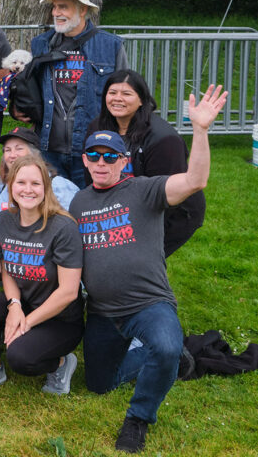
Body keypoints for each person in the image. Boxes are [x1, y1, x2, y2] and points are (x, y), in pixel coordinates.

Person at [71, 85, 226, 454]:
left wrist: (200, 131)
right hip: (104, 313)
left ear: (124, 161)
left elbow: (195, 181)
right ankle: (164, 359)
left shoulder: (145, 190)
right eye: (94, 155)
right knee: (99, 385)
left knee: (167, 345)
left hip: (148, 304)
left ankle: (138, 419)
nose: (102, 162)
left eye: (110, 156)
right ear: (85, 160)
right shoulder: (78, 202)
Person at [0, 154, 84, 397]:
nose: (27, 190)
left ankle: (62, 363)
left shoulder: (63, 227)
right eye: (21, 183)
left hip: (61, 318)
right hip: (26, 303)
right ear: (10, 186)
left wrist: (25, 323)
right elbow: (8, 267)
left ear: (46, 188)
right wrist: (15, 306)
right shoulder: (4, 220)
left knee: (20, 358)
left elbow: (69, 292)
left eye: (35, 184)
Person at [89, 69, 205, 256]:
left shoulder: (163, 139)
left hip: (172, 212)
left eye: (126, 93)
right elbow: (91, 176)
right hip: (121, 208)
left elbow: (167, 197)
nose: (117, 98)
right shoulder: (98, 127)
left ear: (142, 99)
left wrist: (136, 231)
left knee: (141, 260)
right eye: (112, 93)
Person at [27, 0, 127, 186]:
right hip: (48, 149)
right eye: (54, 7)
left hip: (94, 151)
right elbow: (31, 89)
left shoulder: (111, 46)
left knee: (90, 211)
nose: (56, 13)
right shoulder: (41, 45)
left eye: (63, 6)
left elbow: (126, 96)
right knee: (53, 213)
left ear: (82, 10)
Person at [0, 127, 79, 221]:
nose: (12, 155)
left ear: (34, 154)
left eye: (19, 149)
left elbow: (70, 224)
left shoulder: (58, 185)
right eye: (8, 150)